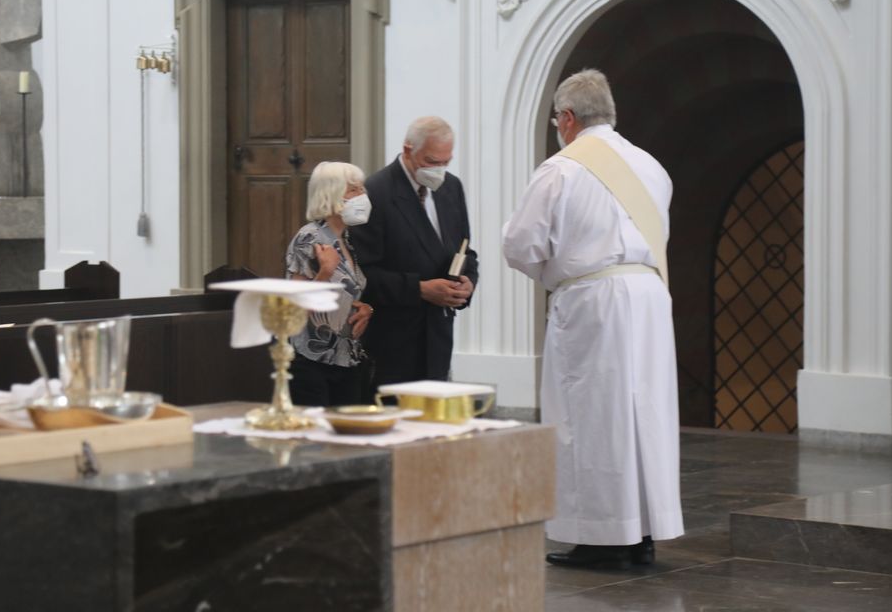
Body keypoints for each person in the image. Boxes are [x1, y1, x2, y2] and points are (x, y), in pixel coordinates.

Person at [502, 69, 684, 569]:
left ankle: (602, 537)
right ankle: (643, 532)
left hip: (593, 301)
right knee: (643, 412)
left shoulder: (560, 169)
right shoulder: (650, 166)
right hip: (648, 296)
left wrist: (550, 272)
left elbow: (521, 245)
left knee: (591, 417)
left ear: (566, 118)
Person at [351, 117, 478, 388]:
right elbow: (362, 272)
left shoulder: (451, 187)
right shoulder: (376, 192)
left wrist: (467, 283)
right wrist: (419, 289)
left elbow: (466, 251)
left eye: (446, 162)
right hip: (393, 337)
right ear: (408, 150)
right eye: (432, 162)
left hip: (438, 333)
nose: (439, 170)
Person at [284, 162, 375, 407]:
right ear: (332, 194)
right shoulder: (309, 238)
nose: (363, 196)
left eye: (362, 189)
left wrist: (366, 309)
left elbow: (344, 293)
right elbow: (294, 309)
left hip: (346, 358)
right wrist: (325, 271)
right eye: (354, 190)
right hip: (313, 361)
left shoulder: (347, 240)